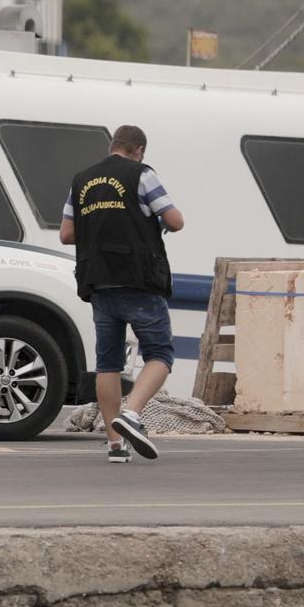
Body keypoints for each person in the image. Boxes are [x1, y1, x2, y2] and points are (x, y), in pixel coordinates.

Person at [60, 124, 185, 464]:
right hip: (138, 281)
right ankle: (132, 413)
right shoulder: (142, 174)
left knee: (108, 363)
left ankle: (116, 445)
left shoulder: (81, 180)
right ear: (139, 150)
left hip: (98, 282)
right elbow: (175, 221)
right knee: (160, 354)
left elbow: (66, 234)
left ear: (113, 146)